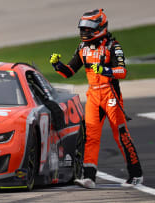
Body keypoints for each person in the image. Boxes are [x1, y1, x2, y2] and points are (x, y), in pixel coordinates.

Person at [49, 9, 143, 189]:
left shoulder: (112, 47)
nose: (84, 32)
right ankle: (89, 177)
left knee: (120, 134)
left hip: (111, 95)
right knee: (90, 137)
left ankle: (136, 173)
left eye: (89, 28)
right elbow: (69, 72)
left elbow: (122, 72)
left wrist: (104, 70)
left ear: (100, 27)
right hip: (93, 96)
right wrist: (57, 65)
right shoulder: (82, 47)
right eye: (83, 28)